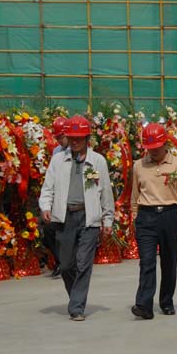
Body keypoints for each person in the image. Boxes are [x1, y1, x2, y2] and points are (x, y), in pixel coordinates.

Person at [39, 115, 115, 321]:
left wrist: (108, 219)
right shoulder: (58, 160)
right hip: (64, 218)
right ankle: (76, 296)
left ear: (87, 138)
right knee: (65, 265)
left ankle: (77, 307)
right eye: (71, 138)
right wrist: (45, 206)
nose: (74, 142)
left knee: (83, 263)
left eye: (78, 138)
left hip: (89, 218)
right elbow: (47, 188)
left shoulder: (97, 161)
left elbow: (106, 192)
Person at [130, 123, 177, 320]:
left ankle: (166, 301)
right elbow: (135, 194)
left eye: (157, 147)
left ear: (165, 144)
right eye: (149, 148)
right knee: (147, 261)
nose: (153, 151)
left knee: (169, 261)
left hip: (169, 215)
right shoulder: (139, 165)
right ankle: (144, 304)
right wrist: (134, 216)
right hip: (146, 216)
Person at [43, 116, 70, 277]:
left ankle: (68, 263)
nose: (59, 140)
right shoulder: (56, 152)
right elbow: (51, 177)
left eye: (62, 137)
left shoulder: (81, 150)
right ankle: (61, 261)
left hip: (73, 200)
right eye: (57, 137)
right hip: (59, 199)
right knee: (48, 230)